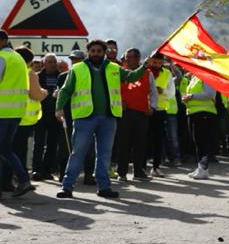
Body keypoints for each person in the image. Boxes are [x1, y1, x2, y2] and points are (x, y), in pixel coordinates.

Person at [54, 39, 153, 199]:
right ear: (88, 52)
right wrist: (59, 108)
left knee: (104, 154)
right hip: (84, 117)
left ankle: (104, 187)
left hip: (108, 118)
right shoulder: (78, 68)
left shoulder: (114, 68)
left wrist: (145, 66)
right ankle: (67, 187)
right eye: (93, 51)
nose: (95, 54)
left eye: (99, 51)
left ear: (104, 53)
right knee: (78, 153)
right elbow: (65, 90)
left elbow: (132, 76)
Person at [0, 46, 46, 196]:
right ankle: (20, 180)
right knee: (8, 150)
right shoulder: (24, 67)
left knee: (6, 149)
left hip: (5, 113)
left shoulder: (5, 60)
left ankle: (17, 180)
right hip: (19, 116)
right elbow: (35, 94)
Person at [115, 48, 157, 182]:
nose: (127, 59)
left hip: (142, 112)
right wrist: (118, 102)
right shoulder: (119, 71)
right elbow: (113, 90)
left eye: (131, 57)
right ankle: (121, 172)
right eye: (126, 57)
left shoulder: (148, 72)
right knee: (123, 143)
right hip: (124, 112)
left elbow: (153, 91)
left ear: (137, 58)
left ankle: (139, 171)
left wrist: (152, 107)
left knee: (140, 143)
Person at [56, 50, 93, 185]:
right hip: (68, 115)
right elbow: (60, 94)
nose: (74, 62)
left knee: (88, 146)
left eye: (77, 59)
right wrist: (59, 110)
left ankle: (88, 175)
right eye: (72, 59)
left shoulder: (90, 74)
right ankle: (63, 174)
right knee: (65, 146)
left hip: (86, 114)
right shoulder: (63, 76)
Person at [32, 53, 64, 180]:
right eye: (50, 61)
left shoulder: (61, 77)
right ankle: (36, 171)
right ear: (44, 63)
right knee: (38, 143)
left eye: (54, 61)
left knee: (52, 144)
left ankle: (47, 170)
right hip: (40, 115)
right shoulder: (37, 77)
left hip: (55, 115)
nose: (52, 64)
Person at [182, 74, 218, 179]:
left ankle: (203, 168)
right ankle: (201, 167)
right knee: (198, 142)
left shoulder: (206, 76)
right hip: (194, 112)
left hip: (204, 113)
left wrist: (192, 96)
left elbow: (209, 94)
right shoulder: (195, 77)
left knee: (202, 142)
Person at [149, 55, 176, 176]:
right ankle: (141, 167)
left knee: (158, 139)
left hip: (160, 110)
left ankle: (156, 167)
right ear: (150, 61)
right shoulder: (144, 71)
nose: (157, 65)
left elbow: (172, 93)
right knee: (144, 139)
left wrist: (163, 91)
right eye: (155, 62)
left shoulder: (167, 73)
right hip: (145, 109)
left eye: (160, 63)